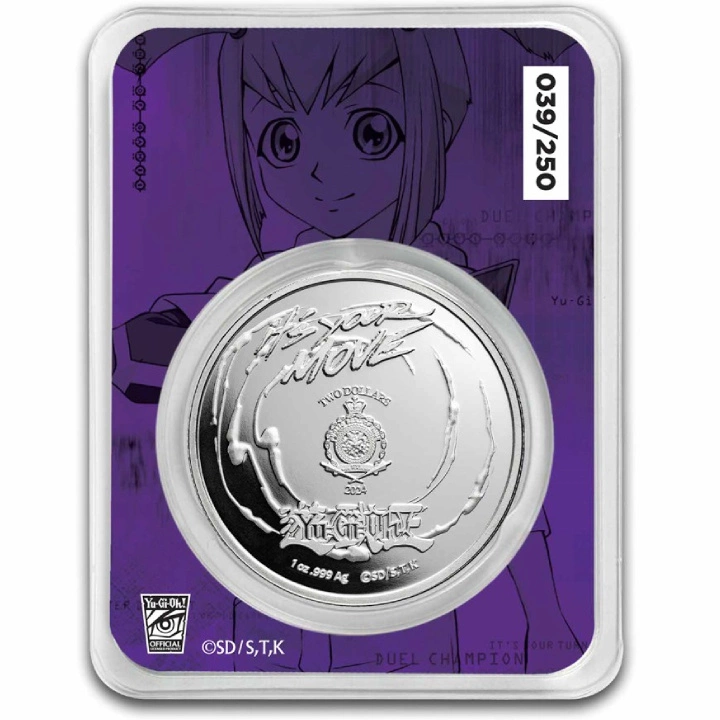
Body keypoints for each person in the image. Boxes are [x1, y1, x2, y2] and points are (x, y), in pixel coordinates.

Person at [114, 27, 580, 673]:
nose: (319, 171)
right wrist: (152, 339)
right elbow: (204, 322)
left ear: (432, 129)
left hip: (410, 593)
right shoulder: (273, 284)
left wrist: (548, 619)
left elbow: (502, 465)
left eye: (371, 133)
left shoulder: (451, 302)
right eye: (283, 141)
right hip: (279, 583)